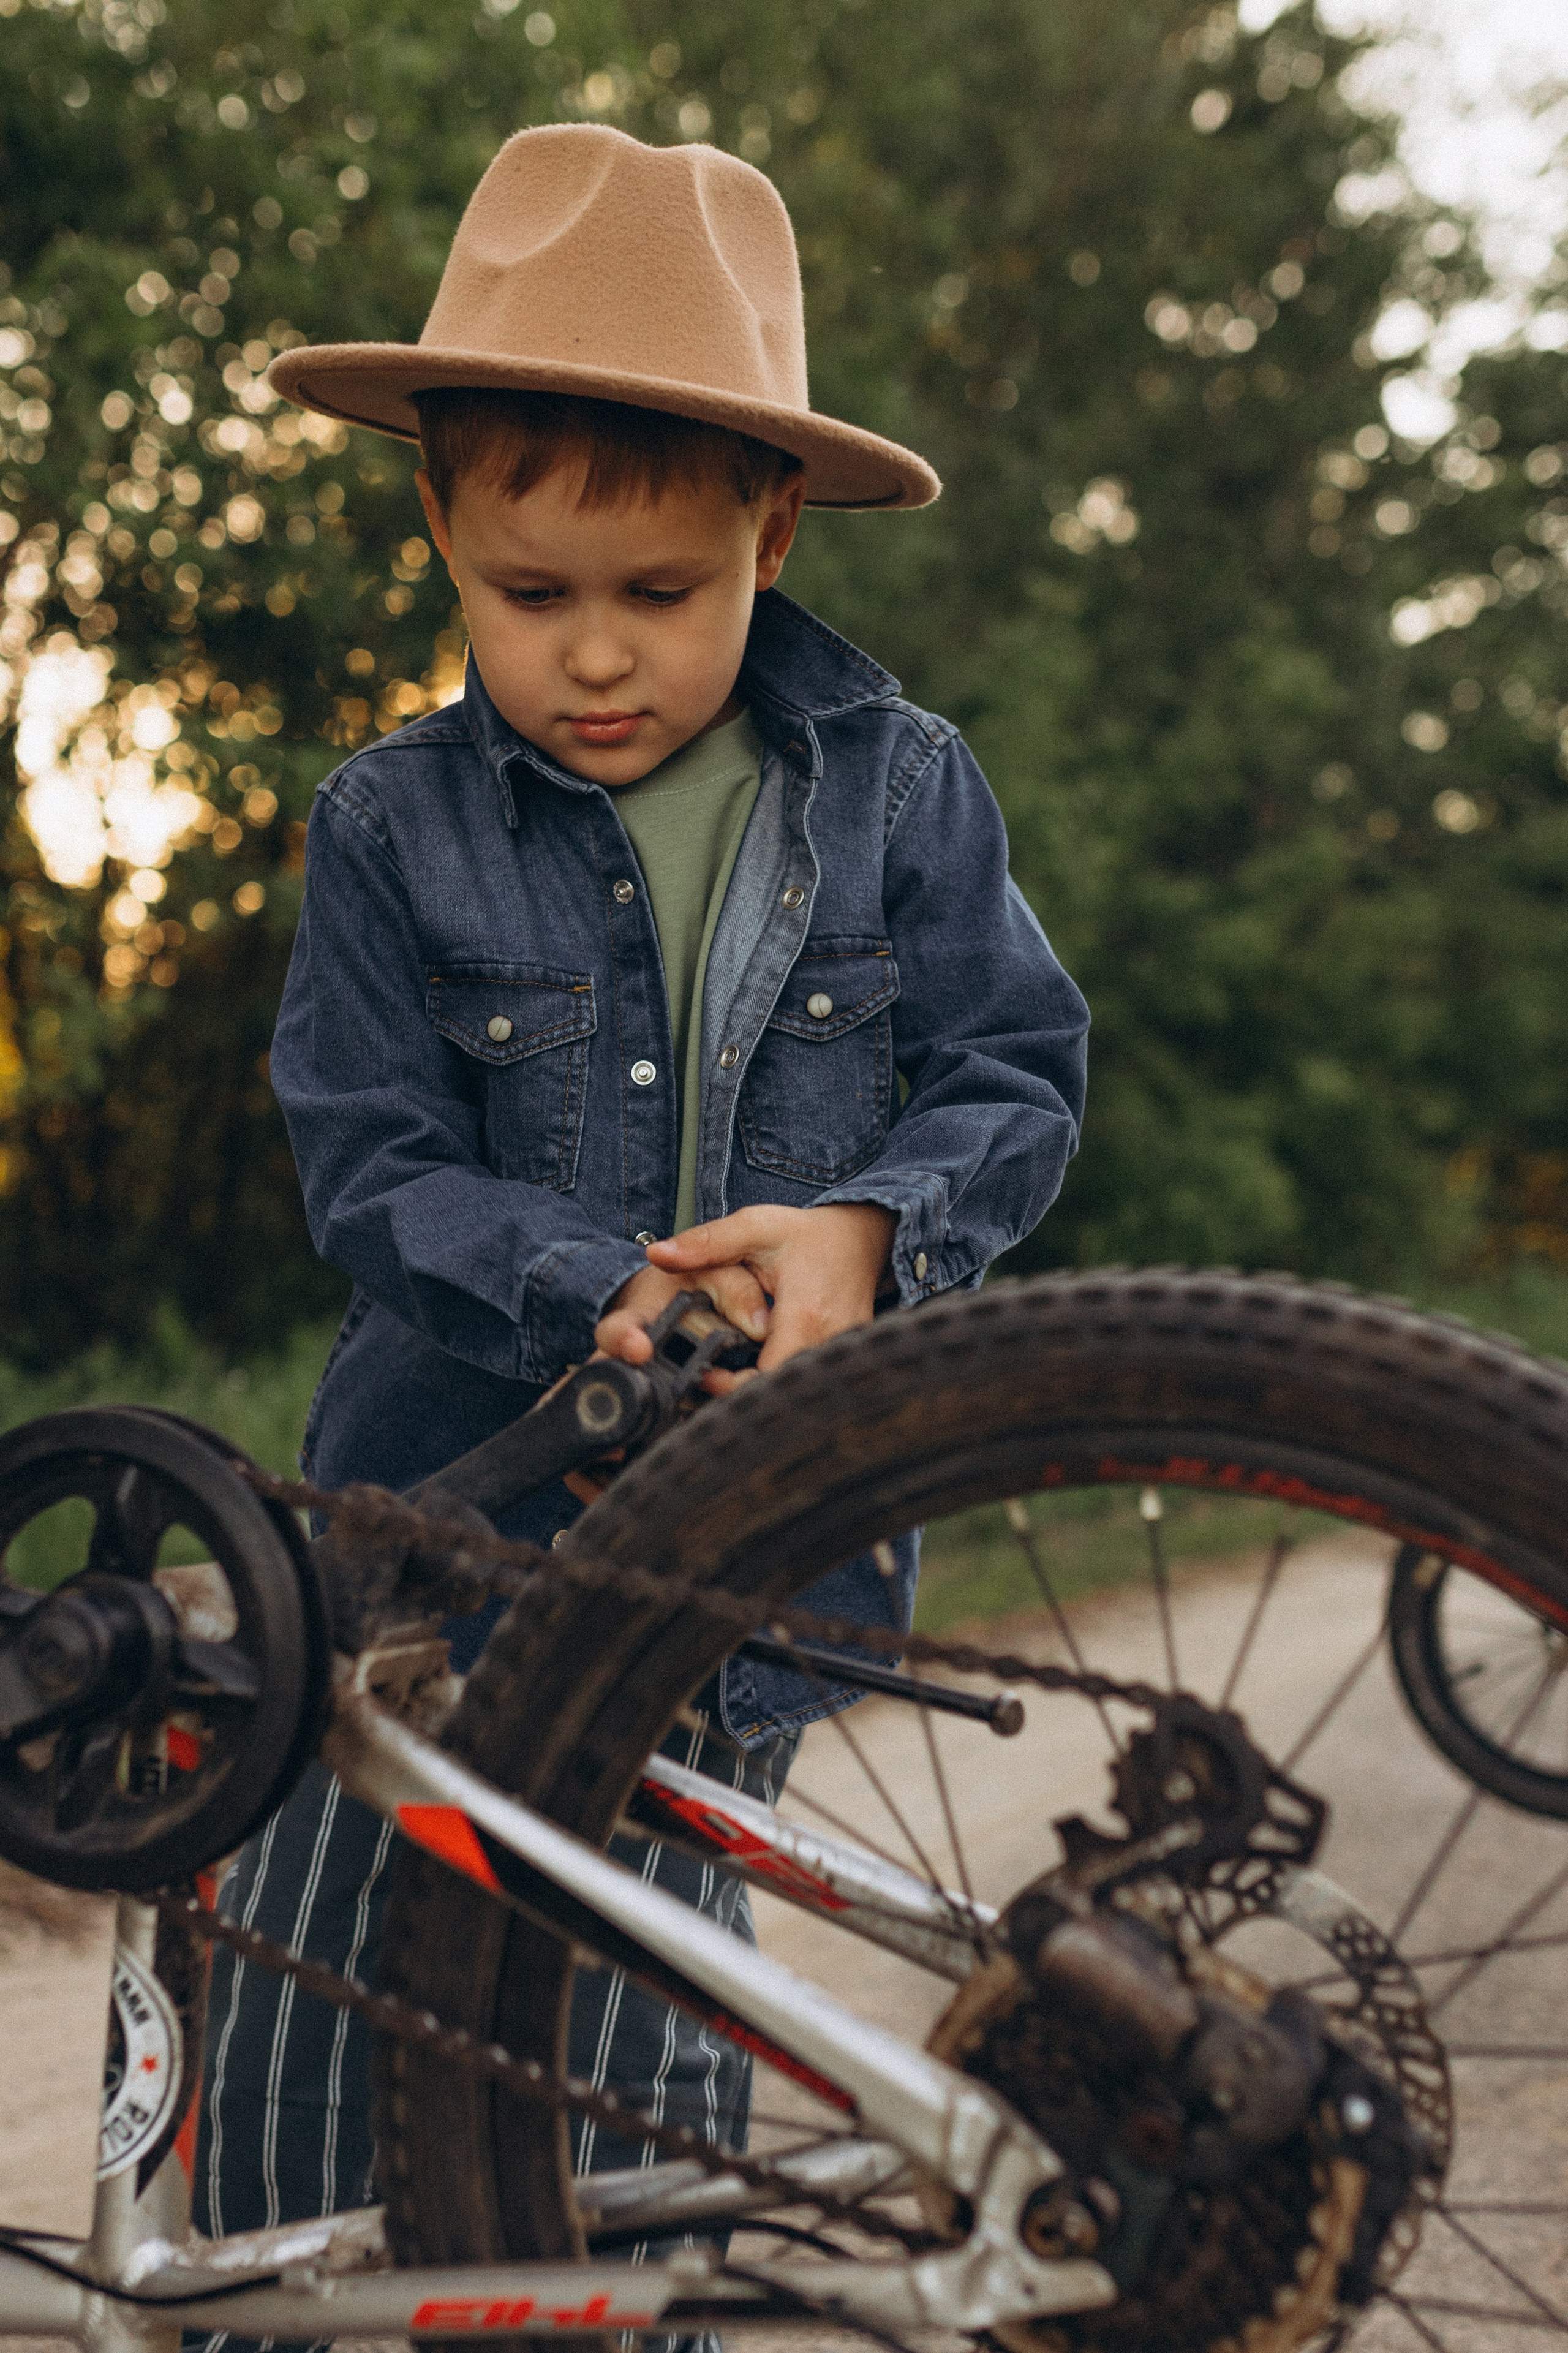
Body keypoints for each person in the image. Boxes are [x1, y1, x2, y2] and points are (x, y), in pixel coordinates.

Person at [190, 121, 1088, 2341]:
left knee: (637, 2059)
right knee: (326, 2021)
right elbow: (369, 1158)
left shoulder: (903, 789)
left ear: (771, 533)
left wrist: (878, 1228)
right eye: (531, 593)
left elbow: (1015, 1073)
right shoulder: (390, 826)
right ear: (442, 534)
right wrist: (580, 1277)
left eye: (662, 596)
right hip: (429, 1526)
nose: (597, 656)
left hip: (743, 1549)